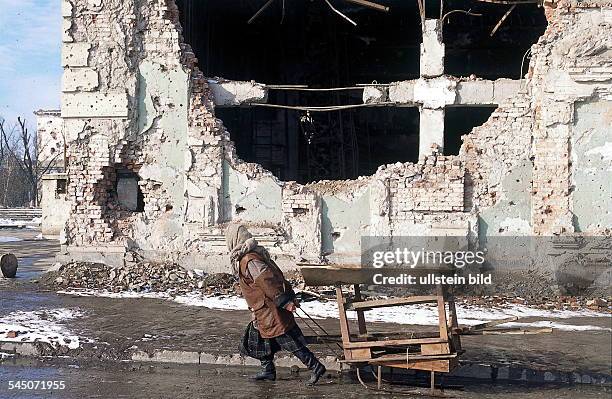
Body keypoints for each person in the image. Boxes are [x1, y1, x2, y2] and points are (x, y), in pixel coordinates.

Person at [225, 224, 326, 386]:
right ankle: (268, 370)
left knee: (289, 341)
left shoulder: (249, 259)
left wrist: (285, 302)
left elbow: (268, 280)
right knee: (256, 338)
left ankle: (316, 367)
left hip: (270, 309)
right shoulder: (250, 256)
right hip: (262, 309)